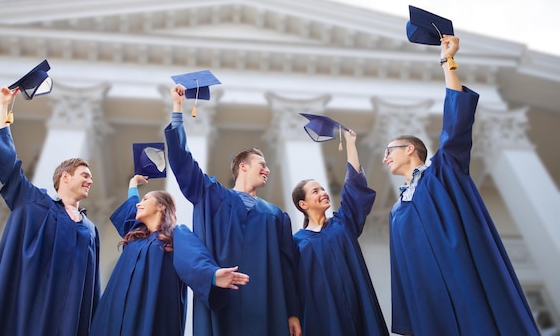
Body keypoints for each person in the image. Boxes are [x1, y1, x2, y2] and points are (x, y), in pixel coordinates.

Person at [385, 35, 539, 336]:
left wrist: (448, 62)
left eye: (389, 151)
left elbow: (455, 127)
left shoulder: (443, 174)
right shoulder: (397, 210)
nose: (384, 159)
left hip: (463, 281)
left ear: (410, 149)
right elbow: (400, 270)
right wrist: (409, 320)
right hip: (430, 302)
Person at [165, 84, 302, 336]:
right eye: (261, 164)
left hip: (266, 308)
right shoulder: (212, 195)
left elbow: (287, 267)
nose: (268, 170)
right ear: (243, 167)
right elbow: (182, 161)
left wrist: (292, 312)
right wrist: (177, 108)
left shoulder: (276, 216)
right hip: (223, 302)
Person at [0, 86, 100, 336]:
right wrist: (3, 106)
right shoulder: (34, 203)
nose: (90, 181)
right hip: (28, 313)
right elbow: (8, 164)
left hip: (68, 323)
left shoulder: (90, 230)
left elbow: (91, 288)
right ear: (65, 177)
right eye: (85, 175)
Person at [89, 175, 249, 336]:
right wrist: (132, 184)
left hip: (150, 313)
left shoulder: (174, 236)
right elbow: (132, 209)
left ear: (161, 206)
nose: (139, 203)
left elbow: (193, 259)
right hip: (114, 314)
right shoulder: (135, 237)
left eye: (145, 199)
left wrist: (212, 275)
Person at [291, 128, 389, 336]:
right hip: (324, 317)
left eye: (323, 189)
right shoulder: (296, 243)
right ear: (303, 203)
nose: (324, 193)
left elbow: (354, 188)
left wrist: (350, 144)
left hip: (358, 304)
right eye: (315, 191)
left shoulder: (343, 223)